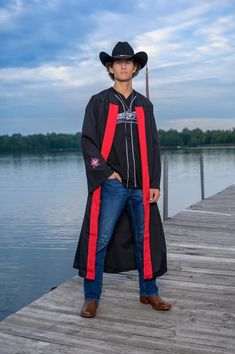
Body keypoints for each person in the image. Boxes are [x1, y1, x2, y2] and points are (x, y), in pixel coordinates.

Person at [73, 41, 172, 317]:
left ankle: (149, 291)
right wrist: (105, 173)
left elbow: (153, 146)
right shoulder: (99, 102)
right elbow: (88, 143)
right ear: (110, 67)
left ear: (135, 68)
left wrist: (154, 182)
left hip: (141, 186)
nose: (124, 65)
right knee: (100, 238)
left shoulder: (144, 105)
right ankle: (91, 297)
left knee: (145, 238)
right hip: (112, 185)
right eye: (118, 62)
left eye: (128, 62)